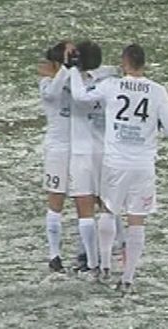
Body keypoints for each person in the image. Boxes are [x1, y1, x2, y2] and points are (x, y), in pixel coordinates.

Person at [69, 43, 168, 292]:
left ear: (125, 62)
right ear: (144, 63)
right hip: (143, 165)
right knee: (137, 220)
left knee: (108, 211)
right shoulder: (158, 91)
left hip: (116, 162)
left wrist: (74, 70)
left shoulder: (112, 85)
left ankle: (105, 265)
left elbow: (80, 96)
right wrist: (155, 125)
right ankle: (128, 279)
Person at [66, 40, 124, 276]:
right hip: (108, 150)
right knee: (108, 204)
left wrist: (69, 69)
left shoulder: (74, 80)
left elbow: (76, 95)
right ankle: (116, 247)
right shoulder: (112, 81)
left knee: (85, 206)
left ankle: (88, 258)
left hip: (82, 151)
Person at [38, 40, 79, 273]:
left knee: (87, 199)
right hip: (57, 149)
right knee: (56, 201)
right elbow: (53, 94)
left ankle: (87, 252)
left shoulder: (76, 78)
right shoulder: (46, 83)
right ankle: (54, 255)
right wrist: (64, 69)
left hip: (80, 148)